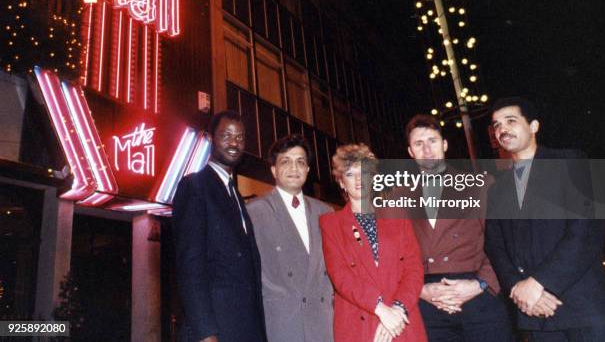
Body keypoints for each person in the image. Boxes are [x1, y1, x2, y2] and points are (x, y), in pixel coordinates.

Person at [486, 97, 605, 341]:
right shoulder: (497, 189)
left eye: (510, 121)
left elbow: (586, 231)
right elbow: (495, 246)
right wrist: (517, 288)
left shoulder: (571, 162)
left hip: (583, 308)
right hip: (534, 314)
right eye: (497, 125)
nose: (502, 129)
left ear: (534, 126)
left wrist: (540, 283)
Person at [405, 114, 514, 341]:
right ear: (410, 152)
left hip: (478, 298)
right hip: (428, 302)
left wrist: (480, 284)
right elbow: (396, 256)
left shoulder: (479, 186)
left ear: (444, 145)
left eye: (432, 141)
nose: (427, 149)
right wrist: (419, 290)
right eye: (419, 143)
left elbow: (501, 242)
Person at [173, 111, 266, 342]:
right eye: (226, 135)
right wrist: (206, 332)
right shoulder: (195, 187)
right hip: (217, 329)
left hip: (246, 327)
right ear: (210, 138)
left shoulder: (234, 193)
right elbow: (190, 265)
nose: (234, 143)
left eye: (240, 137)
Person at [320, 143, 427, 342]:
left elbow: (413, 268)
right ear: (341, 182)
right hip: (358, 323)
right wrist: (381, 310)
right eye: (350, 174)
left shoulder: (398, 215)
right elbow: (340, 276)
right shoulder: (330, 223)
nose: (359, 179)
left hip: (401, 320)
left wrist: (396, 310)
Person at [247, 134, 334, 342]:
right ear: (274, 170)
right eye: (285, 161)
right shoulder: (254, 212)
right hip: (281, 324)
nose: (294, 168)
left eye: (300, 162)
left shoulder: (326, 212)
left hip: (323, 323)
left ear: (308, 170)